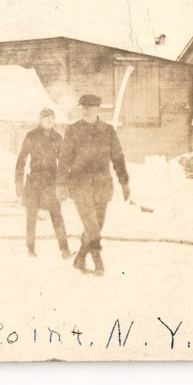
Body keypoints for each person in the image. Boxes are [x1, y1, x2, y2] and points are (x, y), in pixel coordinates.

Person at [56, 94, 130, 275]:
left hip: (102, 186)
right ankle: (98, 263)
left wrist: (124, 182)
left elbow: (118, 157)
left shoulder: (108, 131)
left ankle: (80, 259)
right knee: (92, 227)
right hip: (80, 185)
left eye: (90, 107)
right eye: (84, 107)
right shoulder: (73, 130)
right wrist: (61, 184)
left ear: (98, 108)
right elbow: (64, 159)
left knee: (97, 225)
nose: (86, 110)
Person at [14, 108, 70, 258]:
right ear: (40, 119)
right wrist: (18, 183)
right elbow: (21, 160)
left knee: (57, 216)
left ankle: (65, 250)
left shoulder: (57, 138)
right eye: (46, 117)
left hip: (51, 182)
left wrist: (63, 184)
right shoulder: (31, 136)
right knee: (31, 216)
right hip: (34, 182)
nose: (50, 120)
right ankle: (30, 249)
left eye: (52, 117)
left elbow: (64, 163)